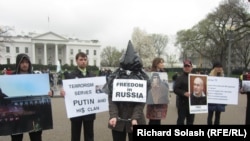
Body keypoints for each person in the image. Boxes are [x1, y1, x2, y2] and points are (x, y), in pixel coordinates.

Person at [102, 40, 151, 141]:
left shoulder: (141, 78)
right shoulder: (115, 77)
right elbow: (112, 99)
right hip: (118, 121)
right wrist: (114, 115)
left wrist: (134, 118)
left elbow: (141, 101)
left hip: (137, 121)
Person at [10, 53, 53, 141]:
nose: (25, 64)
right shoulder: (11, 78)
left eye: (26, 62)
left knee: (36, 137)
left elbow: (46, 90)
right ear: (18, 63)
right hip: (17, 112)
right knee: (16, 138)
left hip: (34, 112)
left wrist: (50, 92)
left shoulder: (36, 77)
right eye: (22, 62)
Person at [60, 52, 95, 141]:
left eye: (85, 59)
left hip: (89, 111)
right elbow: (67, 94)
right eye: (81, 59)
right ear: (76, 61)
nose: (83, 61)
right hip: (76, 112)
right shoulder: (70, 76)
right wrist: (63, 93)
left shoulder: (92, 75)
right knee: (75, 136)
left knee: (89, 136)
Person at [146, 57, 169, 125]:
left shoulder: (164, 73)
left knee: (158, 119)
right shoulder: (151, 73)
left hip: (161, 99)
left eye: (163, 62)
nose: (163, 64)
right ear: (156, 64)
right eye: (161, 62)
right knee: (152, 120)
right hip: (153, 100)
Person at [173, 59, 194, 125]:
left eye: (188, 66)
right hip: (182, 103)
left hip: (192, 104)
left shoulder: (195, 77)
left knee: (190, 121)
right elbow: (175, 89)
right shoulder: (180, 78)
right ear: (183, 68)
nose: (187, 68)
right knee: (180, 121)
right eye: (185, 66)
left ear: (191, 67)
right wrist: (184, 93)